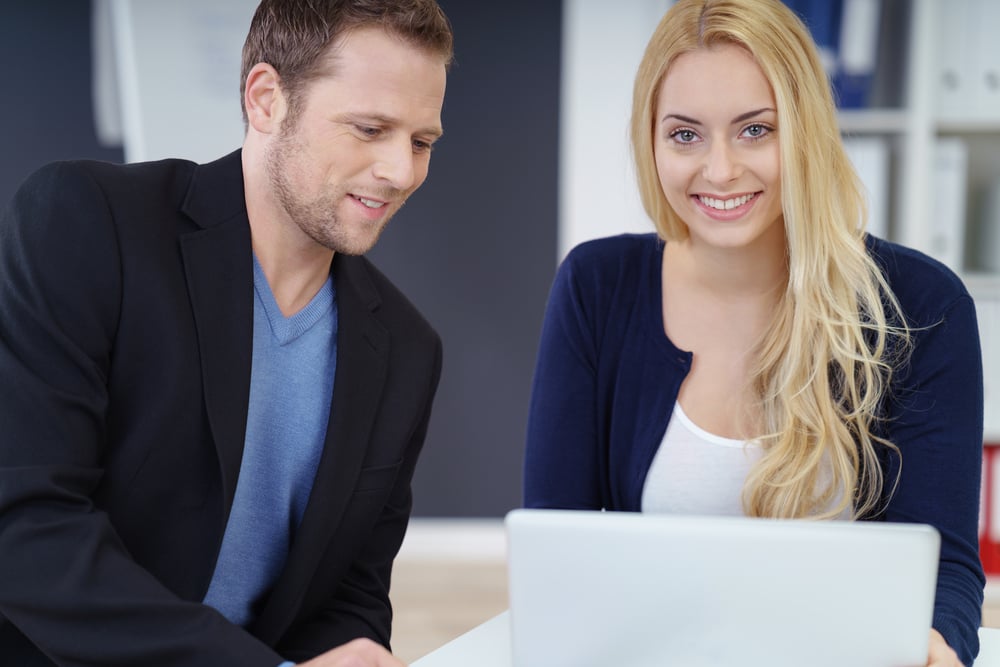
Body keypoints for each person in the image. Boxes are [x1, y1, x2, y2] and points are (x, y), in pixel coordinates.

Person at [523, 1, 985, 665]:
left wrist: (937, 644)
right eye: (685, 135)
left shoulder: (921, 304)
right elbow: (556, 550)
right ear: (650, 141)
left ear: (806, 132)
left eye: (754, 130)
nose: (719, 170)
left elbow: (946, 567)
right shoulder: (597, 286)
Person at [0, 1, 451, 665]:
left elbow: (348, 591)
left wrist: (352, 651)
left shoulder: (408, 351)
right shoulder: (87, 223)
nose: (401, 171)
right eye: (370, 128)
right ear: (266, 98)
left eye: (421, 142)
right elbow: (25, 524)